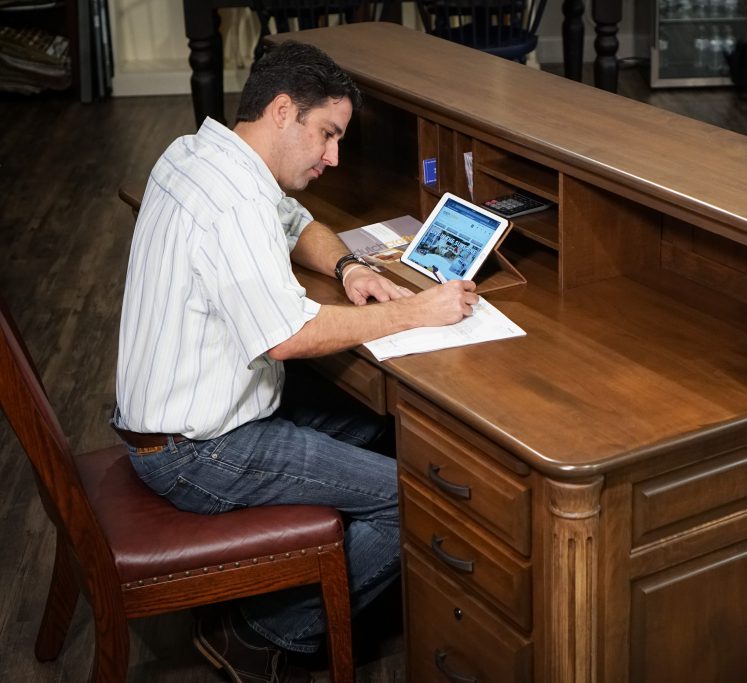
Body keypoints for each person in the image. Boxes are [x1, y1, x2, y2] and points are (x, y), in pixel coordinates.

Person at [113, 40, 478, 682]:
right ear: (284, 110)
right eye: (327, 135)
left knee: (378, 429)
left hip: (175, 418)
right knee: (417, 498)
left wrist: (348, 266)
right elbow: (288, 336)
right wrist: (419, 311)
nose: (334, 157)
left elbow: (296, 219)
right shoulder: (236, 203)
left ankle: (284, 583)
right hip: (195, 450)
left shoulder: (202, 154)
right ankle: (262, 635)